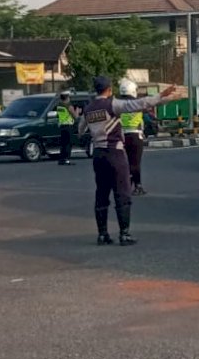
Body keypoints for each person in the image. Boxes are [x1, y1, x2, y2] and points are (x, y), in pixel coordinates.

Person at [81, 75, 176, 245]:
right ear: (109, 89)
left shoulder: (88, 109)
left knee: (101, 193)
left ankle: (102, 235)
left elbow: (80, 129)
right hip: (115, 153)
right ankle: (124, 234)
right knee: (122, 193)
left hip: (98, 154)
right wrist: (161, 96)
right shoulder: (113, 104)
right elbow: (138, 104)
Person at [119, 77, 147, 194]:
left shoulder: (118, 104)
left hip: (122, 136)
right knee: (135, 162)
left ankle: (126, 185)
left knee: (125, 163)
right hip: (136, 136)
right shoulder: (138, 104)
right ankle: (138, 186)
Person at [56, 91, 74, 165]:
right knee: (68, 144)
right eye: (69, 97)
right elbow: (75, 115)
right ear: (66, 98)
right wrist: (78, 111)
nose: (69, 98)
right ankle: (67, 159)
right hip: (68, 126)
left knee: (63, 144)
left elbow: (58, 116)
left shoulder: (59, 106)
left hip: (61, 126)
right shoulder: (69, 106)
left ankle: (62, 159)